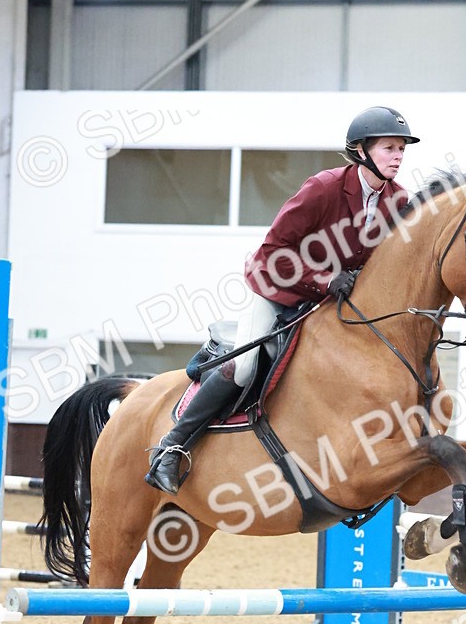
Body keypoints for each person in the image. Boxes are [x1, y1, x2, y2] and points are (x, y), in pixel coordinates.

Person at [145, 105, 419, 495]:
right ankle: (171, 448)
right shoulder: (323, 188)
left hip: (334, 307)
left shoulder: (398, 200)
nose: (398, 156)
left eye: (401, 150)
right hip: (280, 290)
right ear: (361, 151)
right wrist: (324, 280)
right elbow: (273, 252)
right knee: (242, 368)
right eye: (389, 148)